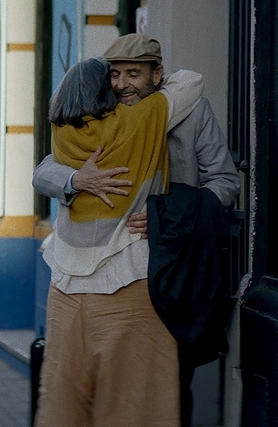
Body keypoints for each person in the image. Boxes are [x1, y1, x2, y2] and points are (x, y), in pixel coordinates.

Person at [32, 34, 240, 427]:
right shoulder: (100, 117)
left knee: (165, 382)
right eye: (115, 75)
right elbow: (44, 170)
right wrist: (79, 179)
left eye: (134, 74)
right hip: (106, 272)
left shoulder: (192, 113)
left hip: (169, 266)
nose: (123, 84)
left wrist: (168, 213)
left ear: (157, 75)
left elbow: (225, 182)